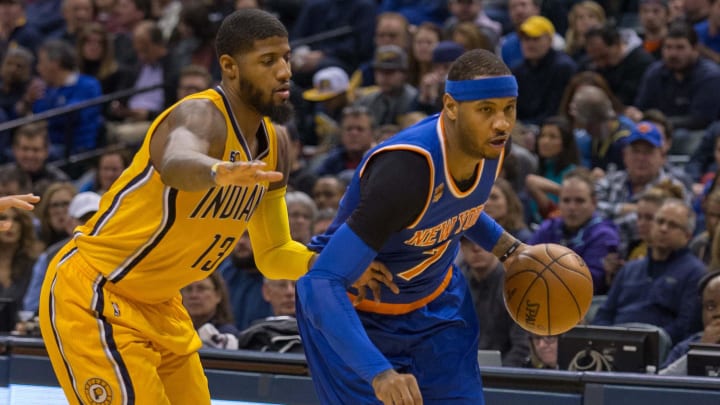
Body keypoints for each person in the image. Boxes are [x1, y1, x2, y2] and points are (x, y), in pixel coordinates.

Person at [38, 9, 391, 404]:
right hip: (97, 291)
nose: (284, 72)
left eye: (286, 58)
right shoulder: (200, 114)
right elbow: (177, 163)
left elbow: (274, 254)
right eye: (268, 61)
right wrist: (217, 170)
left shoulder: (276, 144)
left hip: (161, 303)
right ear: (229, 66)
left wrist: (336, 267)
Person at [296, 49, 531, 404]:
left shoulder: (493, 146)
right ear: (451, 107)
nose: (501, 123)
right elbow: (320, 284)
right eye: (486, 110)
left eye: (508, 109)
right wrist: (378, 372)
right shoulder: (406, 171)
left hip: (436, 306)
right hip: (358, 317)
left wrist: (510, 249)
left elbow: (459, 207)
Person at [660, 270, 720, 375]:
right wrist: (701, 350)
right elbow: (661, 384)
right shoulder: (685, 348)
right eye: (710, 307)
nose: (718, 313)